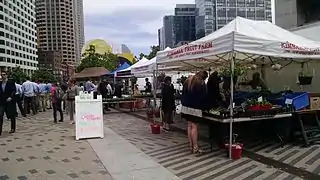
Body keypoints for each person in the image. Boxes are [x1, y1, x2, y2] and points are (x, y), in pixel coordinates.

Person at [181, 71, 208, 154]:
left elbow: (183, 94)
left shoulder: (187, 81)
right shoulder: (201, 83)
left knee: (189, 126)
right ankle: (195, 147)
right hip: (195, 108)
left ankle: (191, 146)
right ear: (204, 77)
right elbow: (203, 98)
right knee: (195, 127)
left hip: (186, 107)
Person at [0, 71, 17, 135]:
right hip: (1, 102)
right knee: (0, 115)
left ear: (7, 75)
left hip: (9, 101)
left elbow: (14, 90)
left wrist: (11, 97)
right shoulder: (0, 83)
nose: (2, 76)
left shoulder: (11, 82)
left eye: (4, 75)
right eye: (1, 75)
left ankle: (13, 128)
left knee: (11, 115)